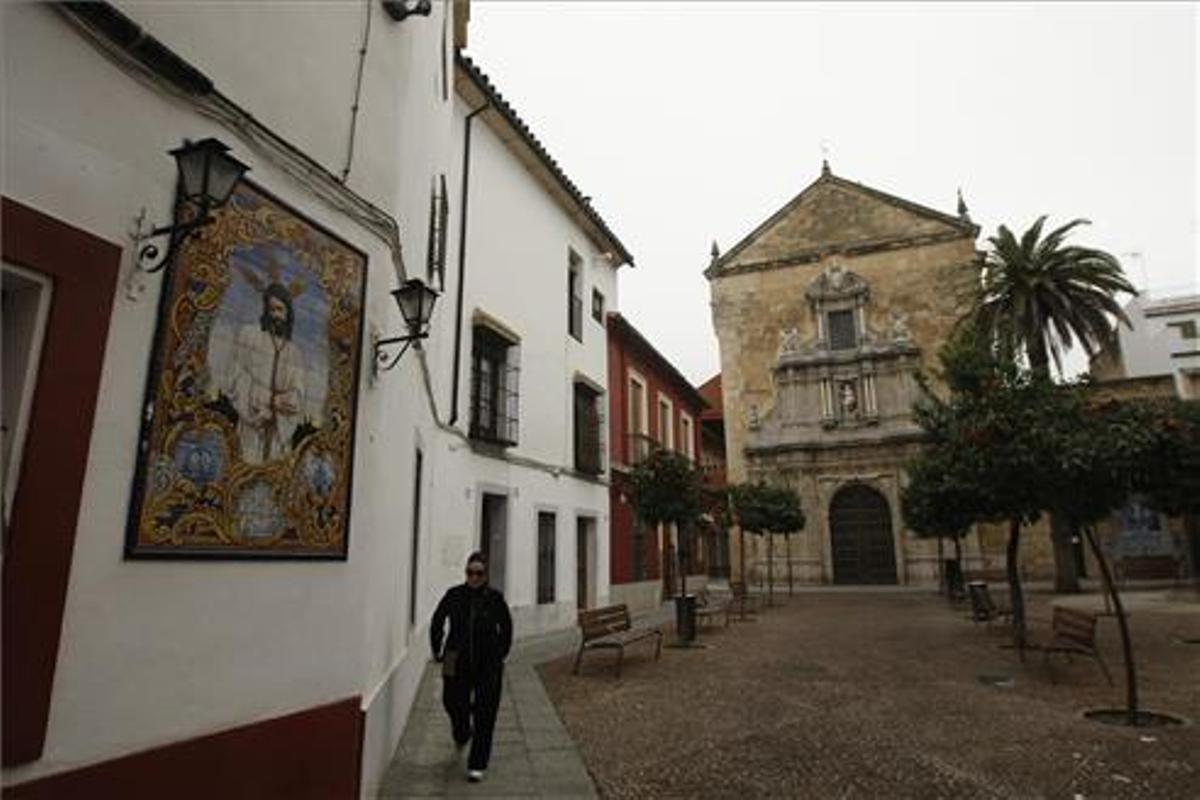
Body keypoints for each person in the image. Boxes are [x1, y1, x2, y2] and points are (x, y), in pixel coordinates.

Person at [430, 551, 513, 783]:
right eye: (470, 572)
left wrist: (500, 654)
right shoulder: (454, 594)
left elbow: (506, 627)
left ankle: (477, 763)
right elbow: (438, 619)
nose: (474, 577)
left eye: (478, 573)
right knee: (451, 701)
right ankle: (462, 730)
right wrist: (436, 648)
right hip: (454, 657)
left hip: (488, 662)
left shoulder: (495, 598)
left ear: (486, 575)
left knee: (486, 712)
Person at [224, 282, 307, 463]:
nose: (275, 315)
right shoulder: (249, 336)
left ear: (288, 313)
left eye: (280, 309)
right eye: (271, 309)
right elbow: (236, 378)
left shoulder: (294, 353)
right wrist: (267, 399)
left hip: (278, 435)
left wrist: (279, 403)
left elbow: (298, 396)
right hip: (252, 426)